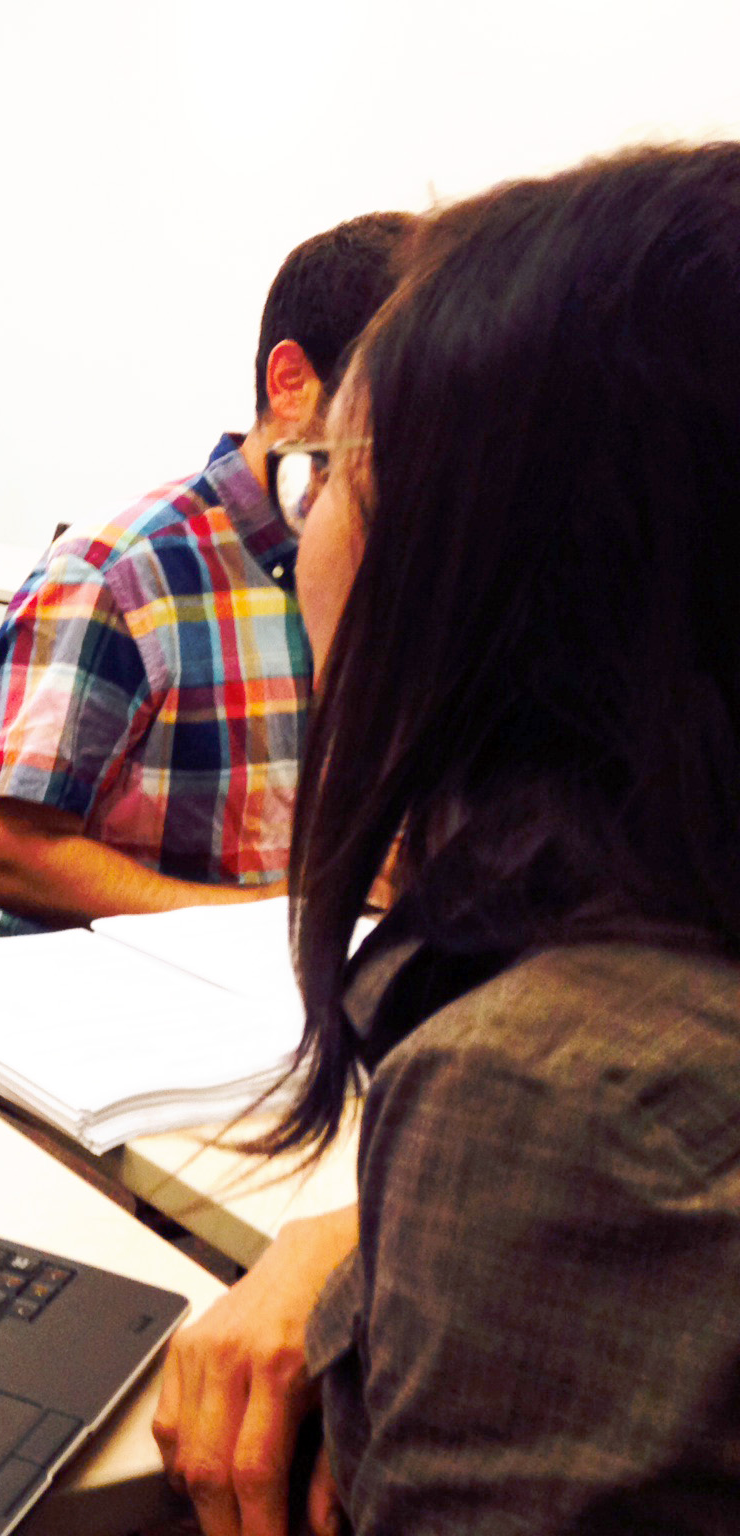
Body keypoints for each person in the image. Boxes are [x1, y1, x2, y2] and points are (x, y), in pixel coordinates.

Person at [152, 144, 740, 1535]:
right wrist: (363, 1243)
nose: (303, 541)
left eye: (330, 479)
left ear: (495, 558)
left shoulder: (557, 1103)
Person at [0, 213, 413, 936]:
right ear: (292, 383)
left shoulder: (392, 571)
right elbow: (9, 857)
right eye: (409, 402)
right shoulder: (117, 574)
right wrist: (280, 915)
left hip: (307, 985)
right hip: (98, 990)